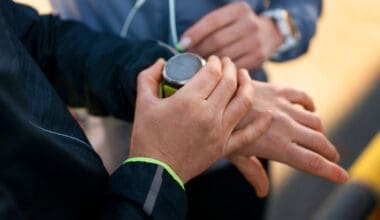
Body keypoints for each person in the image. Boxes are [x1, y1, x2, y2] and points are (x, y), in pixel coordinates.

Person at [0, 1, 348, 219]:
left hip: (242, 136)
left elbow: (33, 37)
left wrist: (279, 26)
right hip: (114, 161)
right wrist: (157, 169)